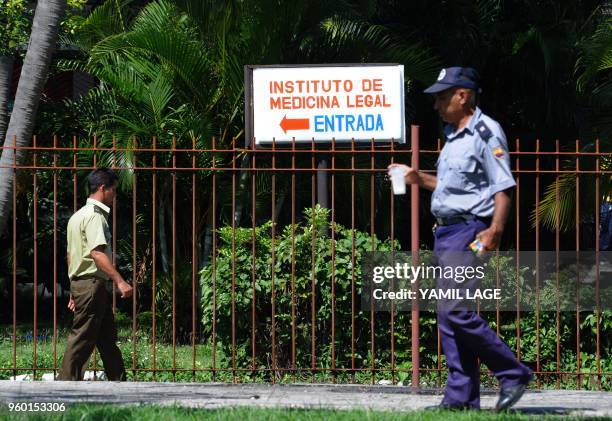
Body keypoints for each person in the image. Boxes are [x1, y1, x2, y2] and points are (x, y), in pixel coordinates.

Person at [388, 67, 532, 411]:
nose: (436, 105)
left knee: (455, 309)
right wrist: (416, 178)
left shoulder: (485, 132)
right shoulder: (454, 136)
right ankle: (461, 397)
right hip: (447, 233)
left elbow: (503, 187)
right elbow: (454, 189)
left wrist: (495, 230)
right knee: (448, 313)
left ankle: (512, 373)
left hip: (471, 232)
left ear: (462, 95)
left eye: (441, 97)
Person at [58, 168, 133, 381]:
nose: (115, 195)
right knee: (82, 338)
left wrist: (74, 288)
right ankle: (65, 386)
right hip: (92, 285)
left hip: (85, 285)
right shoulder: (94, 217)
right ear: (103, 188)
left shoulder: (77, 216)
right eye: (113, 190)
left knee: (107, 339)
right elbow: (97, 253)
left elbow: (71, 256)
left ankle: (120, 383)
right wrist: (120, 281)